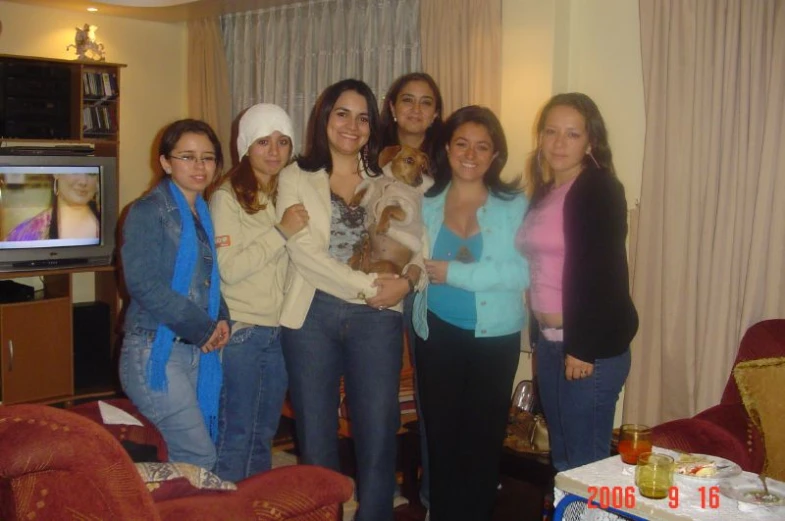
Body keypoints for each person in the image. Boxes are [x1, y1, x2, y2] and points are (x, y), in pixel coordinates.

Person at [276, 78, 424, 521]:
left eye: (363, 117)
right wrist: (365, 287)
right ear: (324, 117)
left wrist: (410, 280)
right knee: (317, 435)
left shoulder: (387, 176)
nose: (352, 125)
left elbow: (422, 236)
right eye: (342, 113)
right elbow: (303, 253)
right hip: (312, 313)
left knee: (378, 432)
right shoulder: (296, 175)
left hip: (377, 318)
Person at [413, 105, 529, 521]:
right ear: (447, 147)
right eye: (462, 143)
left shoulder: (514, 204)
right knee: (441, 439)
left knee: (481, 441)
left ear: (495, 155)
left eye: (483, 147)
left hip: (494, 337)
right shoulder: (424, 200)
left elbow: (522, 270)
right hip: (437, 333)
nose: (471, 154)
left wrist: (456, 274)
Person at [516, 92, 638, 471]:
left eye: (572, 134)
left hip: (588, 350)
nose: (558, 142)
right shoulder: (546, 192)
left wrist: (583, 348)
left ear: (591, 141)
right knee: (564, 463)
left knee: (586, 466)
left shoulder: (599, 188)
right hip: (552, 345)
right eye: (550, 132)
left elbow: (604, 273)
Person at [119, 119, 230, 470]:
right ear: (166, 162)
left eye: (208, 158)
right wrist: (203, 328)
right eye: (188, 157)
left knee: (185, 451)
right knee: (199, 454)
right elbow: (144, 284)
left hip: (194, 350)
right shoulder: (147, 212)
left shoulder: (203, 213)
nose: (200, 166)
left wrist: (222, 318)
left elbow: (209, 278)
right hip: (155, 352)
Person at [208, 104, 308, 481]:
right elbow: (228, 270)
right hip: (243, 332)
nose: (274, 151)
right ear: (246, 146)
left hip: (279, 331)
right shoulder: (227, 197)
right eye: (263, 141)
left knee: (263, 435)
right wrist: (281, 231)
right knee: (236, 434)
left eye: (283, 142)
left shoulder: (287, 194)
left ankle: (254, 505)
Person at [379, 71, 444, 512]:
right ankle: (380, 490)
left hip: (426, 289)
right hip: (379, 287)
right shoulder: (373, 159)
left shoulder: (446, 163)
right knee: (379, 395)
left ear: (436, 113)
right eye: (407, 100)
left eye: (426, 102)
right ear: (392, 107)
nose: (416, 109)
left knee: (431, 395)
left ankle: (430, 495)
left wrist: (414, 274)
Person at [6, 173, 100, 241]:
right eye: (75, 171)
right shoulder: (24, 234)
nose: (83, 182)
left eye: (91, 173)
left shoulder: (108, 226)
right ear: (56, 173)